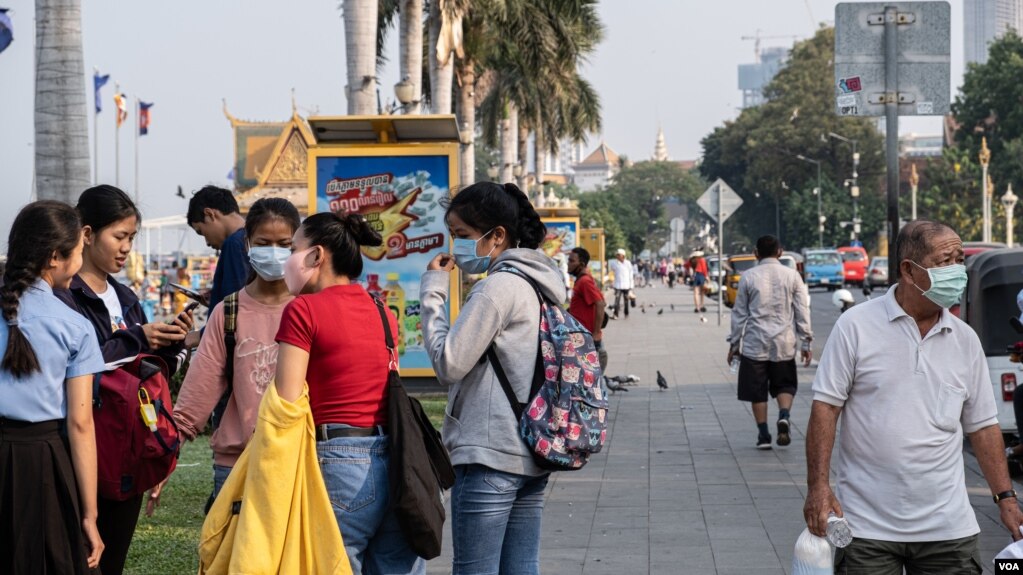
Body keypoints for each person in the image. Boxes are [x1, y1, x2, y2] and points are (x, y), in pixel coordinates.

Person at [805, 220, 1023, 573]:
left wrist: (1005, 498)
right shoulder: (856, 327)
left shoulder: (965, 340)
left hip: (948, 529)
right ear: (908, 270)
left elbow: (983, 427)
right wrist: (818, 487)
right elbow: (826, 409)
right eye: (944, 261)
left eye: (959, 259)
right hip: (866, 527)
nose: (957, 271)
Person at [420, 181, 564, 575]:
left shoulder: (498, 288)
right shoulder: (540, 284)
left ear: (497, 236)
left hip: (489, 455)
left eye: (463, 236)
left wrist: (432, 293)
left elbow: (448, 364)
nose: (455, 247)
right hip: (532, 452)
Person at [273, 211, 423, 575]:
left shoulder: (302, 310)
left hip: (339, 463)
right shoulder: (381, 309)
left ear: (317, 255)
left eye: (294, 248)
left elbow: (286, 402)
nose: (287, 259)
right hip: (395, 460)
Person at [56, 185, 194, 575]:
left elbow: (141, 374)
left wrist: (170, 345)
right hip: (84, 444)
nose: (126, 248)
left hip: (129, 444)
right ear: (86, 234)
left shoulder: (127, 297)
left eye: (131, 238)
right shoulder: (67, 296)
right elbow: (78, 365)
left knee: (112, 560)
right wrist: (137, 338)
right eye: (119, 236)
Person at [0, 201, 106, 574]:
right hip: (43, 462)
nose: (79, 263)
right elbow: (80, 426)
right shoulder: (75, 326)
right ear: (55, 258)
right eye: (78, 253)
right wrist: (90, 515)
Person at [171, 198, 299, 505]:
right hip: (237, 464)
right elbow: (195, 399)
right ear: (247, 246)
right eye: (263, 243)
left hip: (300, 462)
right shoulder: (228, 312)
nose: (274, 252)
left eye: (284, 244)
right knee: (234, 554)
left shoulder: (310, 308)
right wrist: (166, 457)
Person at [726, 235, 812, 449]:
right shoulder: (792, 276)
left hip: (755, 343)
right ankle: (784, 414)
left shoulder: (748, 277)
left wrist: (734, 345)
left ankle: (764, 435)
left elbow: (739, 314)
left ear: (756, 253)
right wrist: (806, 341)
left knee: (757, 390)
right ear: (780, 252)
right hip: (784, 343)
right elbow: (802, 310)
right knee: (784, 384)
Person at [186, 185, 251, 312]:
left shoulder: (233, 244)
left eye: (202, 232)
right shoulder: (252, 237)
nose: (207, 243)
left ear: (210, 214)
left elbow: (233, 307)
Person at [568, 247, 608, 372]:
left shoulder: (585, 281)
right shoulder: (582, 280)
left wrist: (596, 333)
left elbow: (600, 304)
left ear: (582, 264)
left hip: (587, 339)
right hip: (581, 337)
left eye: (571, 261)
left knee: (593, 380)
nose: (568, 264)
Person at [608, 248, 634, 319]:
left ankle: (626, 313)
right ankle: (616, 314)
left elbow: (631, 274)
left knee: (626, 301)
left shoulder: (628, 263)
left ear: (623, 255)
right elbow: (612, 272)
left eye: (619, 255)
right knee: (617, 300)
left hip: (626, 285)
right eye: (617, 255)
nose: (617, 256)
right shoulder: (614, 263)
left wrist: (631, 286)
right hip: (618, 285)